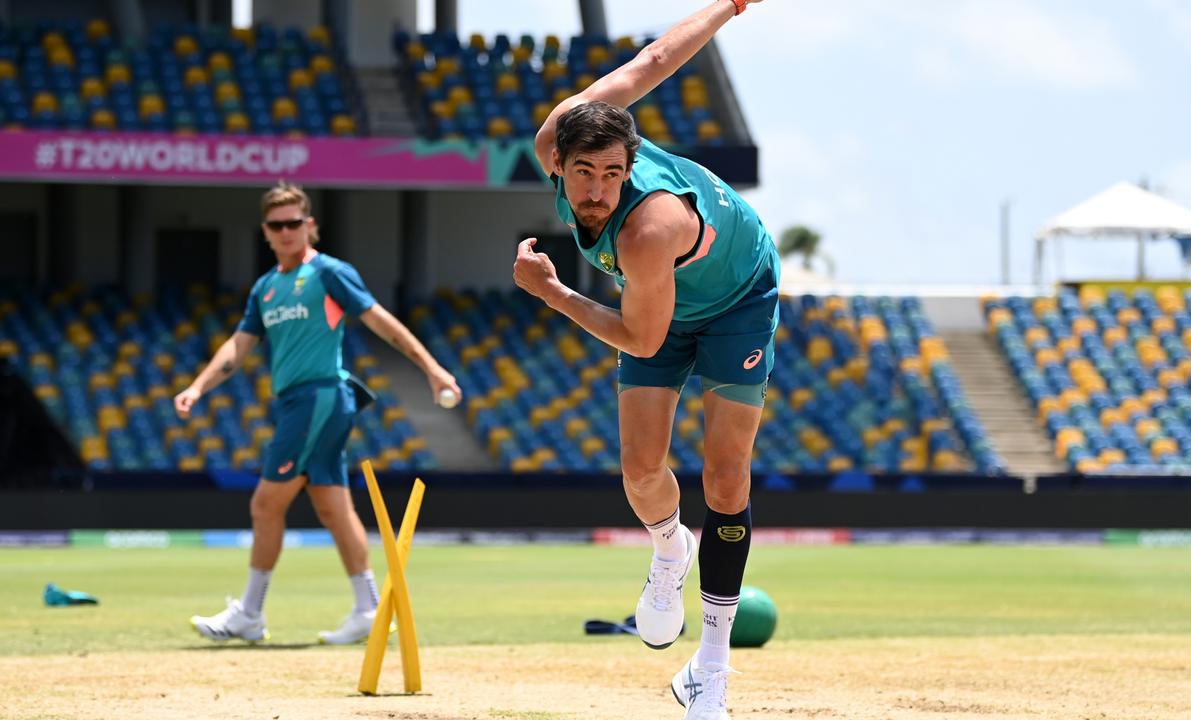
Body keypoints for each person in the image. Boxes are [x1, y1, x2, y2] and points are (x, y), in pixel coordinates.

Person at [512, 1, 772, 717]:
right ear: (556, 162)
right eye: (585, 173)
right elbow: (652, 61)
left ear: (630, 165)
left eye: (614, 174)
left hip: (735, 300)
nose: (598, 190)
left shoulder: (646, 229)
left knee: (725, 477)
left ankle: (710, 671)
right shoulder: (560, 133)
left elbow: (642, 340)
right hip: (655, 304)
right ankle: (668, 549)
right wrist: (728, 6)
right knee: (639, 469)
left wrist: (555, 292)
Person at [180, 182, 460, 645]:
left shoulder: (329, 273)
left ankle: (250, 613)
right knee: (333, 508)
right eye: (278, 225)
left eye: (295, 223)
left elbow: (379, 320)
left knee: (265, 504)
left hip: (319, 398)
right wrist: (198, 386)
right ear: (266, 232)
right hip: (299, 402)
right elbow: (238, 346)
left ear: (311, 226)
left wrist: (431, 369)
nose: (287, 231)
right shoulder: (266, 289)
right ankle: (369, 609)